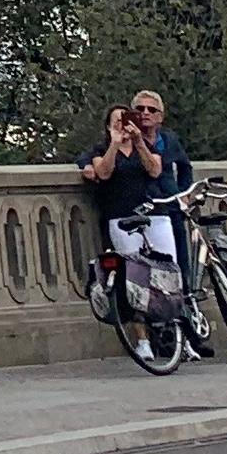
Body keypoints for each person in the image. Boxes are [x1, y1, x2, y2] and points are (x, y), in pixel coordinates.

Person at [77, 101, 176, 334]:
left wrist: (138, 141)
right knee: (133, 278)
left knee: (167, 270)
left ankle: (173, 330)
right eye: (117, 122)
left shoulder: (147, 145)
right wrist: (115, 144)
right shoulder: (100, 150)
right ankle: (142, 339)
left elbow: (154, 169)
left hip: (154, 214)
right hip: (120, 216)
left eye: (127, 120)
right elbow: (103, 172)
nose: (123, 126)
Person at [133, 91, 205, 350]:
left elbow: (185, 166)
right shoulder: (130, 140)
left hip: (172, 208)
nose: (145, 113)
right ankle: (162, 337)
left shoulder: (169, 140)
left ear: (161, 116)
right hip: (146, 210)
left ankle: (189, 336)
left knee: (180, 270)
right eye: (140, 108)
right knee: (148, 277)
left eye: (151, 110)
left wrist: (186, 193)